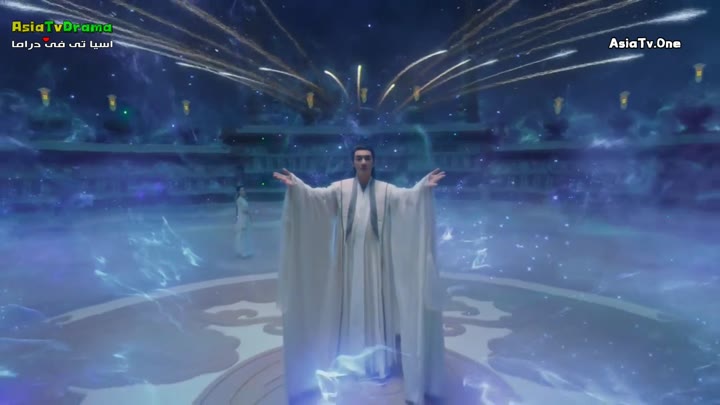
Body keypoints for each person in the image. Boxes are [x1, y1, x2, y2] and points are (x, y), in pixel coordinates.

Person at [273, 145, 446, 404]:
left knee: (377, 305)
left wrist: (422, 187)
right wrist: (296, 186)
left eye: (367, 158)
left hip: (377, 263)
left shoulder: (386, 190)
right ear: (353, 162)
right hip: (348, 262)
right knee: (349, 305)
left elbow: (408, 199)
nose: (363, 161)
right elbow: (315, 199)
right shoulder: (340, 189)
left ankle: (377, 362)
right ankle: (350, 359)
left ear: (373, 162)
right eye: (358, 158)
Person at [234, 186, 253, 258]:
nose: (243, 191)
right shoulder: (239, 200)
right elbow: (244, 210)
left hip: (245, 218)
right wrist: (249, 213)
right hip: (242, 219)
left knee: (245, 235)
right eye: (241, 190)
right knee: (242, 236)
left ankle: (245, 250)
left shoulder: (243, 199)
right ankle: (242, 252)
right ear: (239, 192)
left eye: (243, 190)